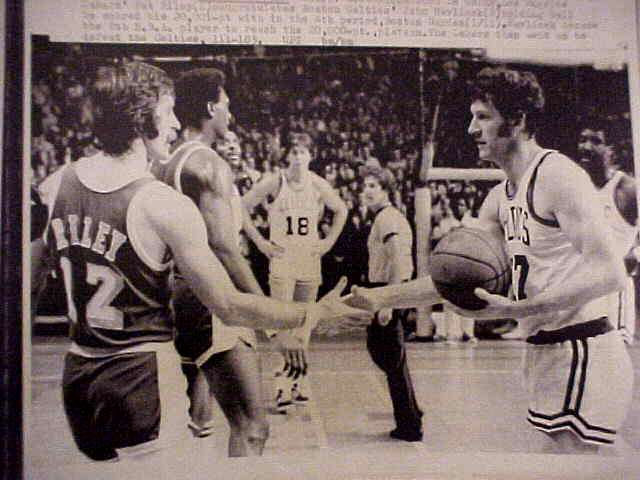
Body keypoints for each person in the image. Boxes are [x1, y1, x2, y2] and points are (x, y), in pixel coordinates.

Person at [32, 61, 369, 462]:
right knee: (241, 429)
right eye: (167, 110)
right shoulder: (160, 200)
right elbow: (227, 299)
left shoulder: (53, 185)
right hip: (140, 375)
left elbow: (23, 290)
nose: (174, 122)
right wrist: (312, 315)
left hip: (79, 379)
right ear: (144, 115)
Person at [348, 66, 633, 454]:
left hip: (583, 346)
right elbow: (451, 276)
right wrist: (381, 298)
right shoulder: (499, 197)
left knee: (569, 461)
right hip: (545, 349)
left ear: (516, 121)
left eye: (483, 117)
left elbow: (609, 271)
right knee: (587, 461)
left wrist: (520, 307)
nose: (471, 129)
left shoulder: (559, 177)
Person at [150, 68, 272, 456]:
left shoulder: (164, 164)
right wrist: (266, 310)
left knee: (197, 420)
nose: (229, 115)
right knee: (251, 427)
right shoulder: (208, 165)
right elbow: (223, 246)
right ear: (209, 108)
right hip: (212, 299)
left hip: (176, 299)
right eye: (225, 106)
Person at [243, 132, 348, 413]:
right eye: (295, 152)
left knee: (304, 323)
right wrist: (261, 242)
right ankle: (280, 385)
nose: (299, 158)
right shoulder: (275, 181)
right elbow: (241, 207)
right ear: (288, 156)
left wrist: (327, 243)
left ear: (310, 156)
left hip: (309, 261)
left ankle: (299, 381)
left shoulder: (317, 184)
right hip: (282, 261)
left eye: (304, 153)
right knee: (282, 322)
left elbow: (342, 210)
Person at [360, 165, 423, 442]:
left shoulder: (387, 219)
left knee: (391, 358)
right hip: (390, 289)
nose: (367, 191)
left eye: (373, 186)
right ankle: (412, 413)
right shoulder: (387, 217)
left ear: (385, 189)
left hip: (389, 289)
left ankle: (409, 425)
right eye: (365, 186)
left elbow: (397, 257)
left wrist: (389, 301)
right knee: (388, 354)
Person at [576, 124, 637, 344]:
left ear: (611, 150)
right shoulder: (575, 188)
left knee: (616, 366)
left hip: (613, 291)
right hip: (581, 291)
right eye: (583, 139)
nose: (586, 147)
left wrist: (636, 254)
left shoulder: (627, 189)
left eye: (595, 141)